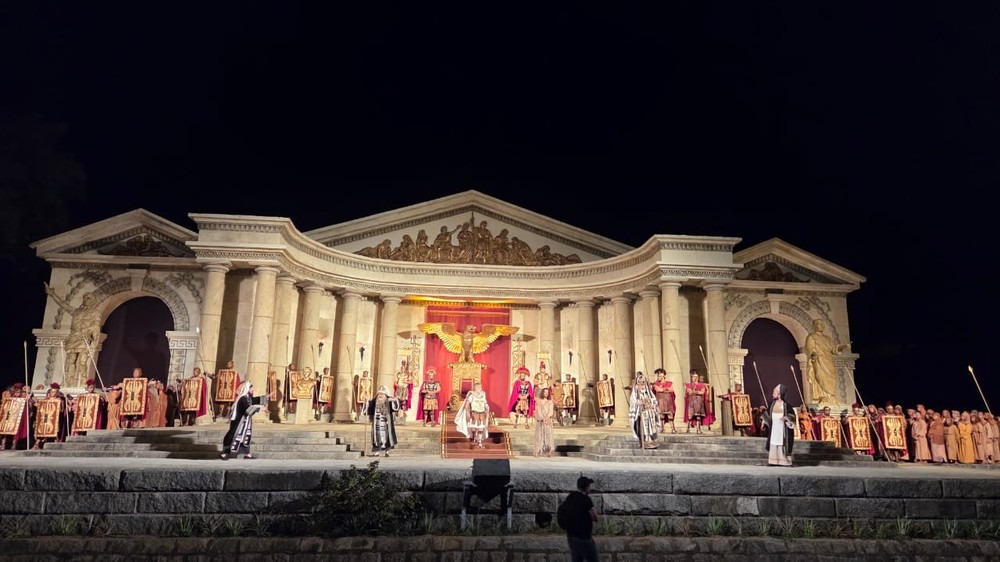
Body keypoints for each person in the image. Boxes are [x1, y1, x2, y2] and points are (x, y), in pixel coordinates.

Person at [804, 319, 848, 403]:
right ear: (814, 326)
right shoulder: (811, 337)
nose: (820, 326)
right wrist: (813, 353)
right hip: (819, 360)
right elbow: (809, 348)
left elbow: (833, 349)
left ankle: (831, 396)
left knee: (831, 377)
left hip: (828, 361)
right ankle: (823, 396)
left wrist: (841, 347)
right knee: (820, 376)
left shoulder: (828, 338)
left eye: (822, 324)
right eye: (818, 324)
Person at [558, 476, 600, 562]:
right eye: (589, 486)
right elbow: (595, 517)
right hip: (584, 538)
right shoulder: (586, 500)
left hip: (571, 537)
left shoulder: (571, 496)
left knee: (577, 559)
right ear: (586, 487)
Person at [220, 381, 263, 460]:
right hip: (239, 422)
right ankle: (224, 453)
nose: (253, 390)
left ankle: (247, 453)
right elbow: (248, 409)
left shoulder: (247, 398)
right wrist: (260, 409)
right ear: (247, 389)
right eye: (252, 388)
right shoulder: (242, 399)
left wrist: (267, 397)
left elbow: (255, 400)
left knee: (245, 437)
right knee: (234, 436)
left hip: (245, 423)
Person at [760, 384, 795, 467]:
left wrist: (786, 418)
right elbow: (767, 414)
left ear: (779, 394)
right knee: (773, 442)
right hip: (774, 428)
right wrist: (763, 422)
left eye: (774, 392)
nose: (772, 394)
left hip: (782, 428)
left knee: (782, 443)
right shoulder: (772, 404)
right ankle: (773, 461)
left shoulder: (787, 405)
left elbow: (792, 416)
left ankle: (784, 461)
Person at [364, 385, 400, 457]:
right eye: (379, 394)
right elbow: (369, 409)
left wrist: (395, 400)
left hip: (386, 423)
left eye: (382, 394)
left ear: (385, 395)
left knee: (387, 437)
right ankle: (376, 452)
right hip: (377, 423)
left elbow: (396, 408)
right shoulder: (374, 401)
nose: (380, 395)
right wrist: (366, 402)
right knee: (376, 437)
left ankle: (387, 452)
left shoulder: (389, 401)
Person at [628, 373, 660, 449]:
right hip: (641, 414)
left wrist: (653, 403)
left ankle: (652, 442)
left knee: (651, 429)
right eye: (640, 384)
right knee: (642, 428)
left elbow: (654, 400)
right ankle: (643, 442)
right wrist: (637, 402)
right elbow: (633, 401)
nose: (642, 386)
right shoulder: (635, 393)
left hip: (650, 415)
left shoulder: (648, 392)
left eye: (643, 384)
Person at [455, 382, 490, 449]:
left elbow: (485, 403)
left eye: (480, 387)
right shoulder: (471, 395)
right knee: (474, 427)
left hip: (482, 414)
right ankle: (473, 438)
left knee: (481, 427)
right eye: (479, 387)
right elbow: (467, 405)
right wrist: (467, 413)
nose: (480, 388)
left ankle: (479, 442)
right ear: (476, 388)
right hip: (474, 413)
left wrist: (486, 409)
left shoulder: (483, 395)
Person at [651, 369, 676, 433]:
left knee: (670, 415)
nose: (658, 377)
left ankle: (673, 428)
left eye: (659, 376)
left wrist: (663, 389)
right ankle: (662, 428)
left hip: (668, 401)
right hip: (660, 400)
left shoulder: (669, 383)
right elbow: (658, 390)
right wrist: (666, 389)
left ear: (663, 376)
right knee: (661, 415)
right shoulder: (656, 384)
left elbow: (671, 390)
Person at [683, 370, 707, 434]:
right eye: (693, 377)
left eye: (695, 377)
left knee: (698, 415)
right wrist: (697, 392)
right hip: (691, 401)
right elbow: (689, 392)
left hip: (699, 401)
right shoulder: (689, 385)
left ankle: (698, 429)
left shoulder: (701, 385)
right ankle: (688, 428)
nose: (694, 378)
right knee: (690, 416)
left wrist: (695, 392)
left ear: (698, 377)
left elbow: (702, 392)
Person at [534, 386, 555, 457]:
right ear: (542, 393)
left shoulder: (550, 402)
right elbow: (538, 410)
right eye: (545, 392)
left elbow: (551, 411)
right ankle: (538, 451)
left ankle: (549, 451)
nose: (546, 393)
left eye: (547, 392)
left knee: (549, 436)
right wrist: (542, 418)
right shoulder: (538, 401)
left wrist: (547, 417)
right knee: (540, 436)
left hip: (548, 421)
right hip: (540, 421)